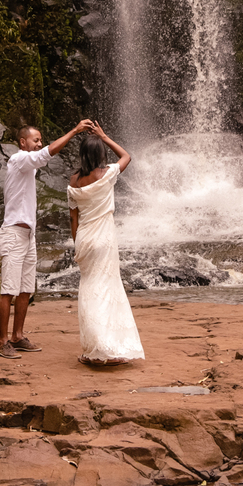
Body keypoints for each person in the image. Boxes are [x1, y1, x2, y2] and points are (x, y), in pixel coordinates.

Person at [0, 118, 93, 359]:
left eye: (40, 140)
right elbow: (46, 153)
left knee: (26, 289)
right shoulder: (18, 159)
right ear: (22, 142)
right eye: (35, 140)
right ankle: (2, 342)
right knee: (8, 290)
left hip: (28, 235)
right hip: (13, 233)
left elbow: (42, 156)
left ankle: (17, 336)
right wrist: (74, 130)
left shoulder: (27, 167)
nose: (39, 143)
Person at [66, 120, 144, 366]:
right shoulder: (107, 174)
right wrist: (104, 136)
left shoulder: (73, 182)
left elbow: (73, 218)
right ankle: (112, 347)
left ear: (82, 155)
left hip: (85, 238)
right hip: (105, 238)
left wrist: (77, 244)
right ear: (101, 154)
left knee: (89, 289)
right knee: (108, 288)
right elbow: (127, 156)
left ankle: (94, 350)